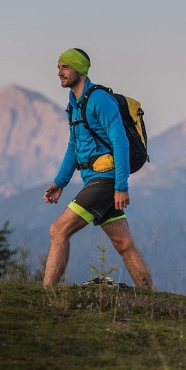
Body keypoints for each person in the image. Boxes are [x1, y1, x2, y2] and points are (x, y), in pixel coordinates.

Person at [42, 48, 155, 290]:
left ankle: (47, 294)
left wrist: (121, 186)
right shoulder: (74, 105)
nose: (59, 72)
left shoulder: (99, 100)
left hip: (106, 180)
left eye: (65, 67)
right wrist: (60, 182)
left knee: (58, 230)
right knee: (123, 243)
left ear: (80, 69)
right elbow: (74, 146)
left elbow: (120, 141)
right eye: (59, 67)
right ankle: (152, 296)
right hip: (93, 179)